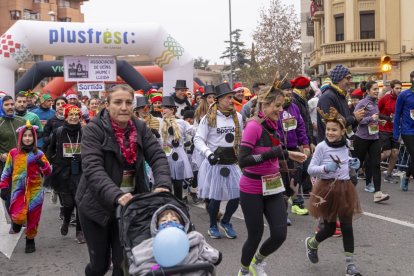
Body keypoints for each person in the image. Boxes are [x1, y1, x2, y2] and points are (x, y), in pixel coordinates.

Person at [75, 84, 172, 276]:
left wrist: (162, 185)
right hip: (96, 205)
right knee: (99, 265)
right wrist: (117, 194)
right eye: (118, 102)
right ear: (107, 104)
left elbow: (158, 156)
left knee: (124, 262)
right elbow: (93, 168)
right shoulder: (93, 129)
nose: (124, 107)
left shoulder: (140, 127)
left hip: (130, 206)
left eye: (128, 102)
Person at [237, 86, 307, 276]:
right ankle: (243, 270)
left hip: (273, 185)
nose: (280, 110)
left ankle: (257, 262)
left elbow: (274, 149)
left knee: (279, 234)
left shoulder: (273, 125)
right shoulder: (253, 126)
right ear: (265, 105)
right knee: (255, 235)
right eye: (277, 106)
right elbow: (242, 160)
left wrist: (290, 153)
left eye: (282, 106)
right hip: (252, 188)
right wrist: (271, 154)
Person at [305, 107, 362, 276]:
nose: (330, 132)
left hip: (345, 188)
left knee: (347, 227)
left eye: (334, 130)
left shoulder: (346, 144)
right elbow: (310, 169)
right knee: (329, 229)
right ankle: (312, 243)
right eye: (328, 129)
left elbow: (345, 161)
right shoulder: (322, 147)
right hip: (327, 189)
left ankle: (350, 265)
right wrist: (325, 168)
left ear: (343, 131)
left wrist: (352, 163)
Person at [194, 83, 243, 239]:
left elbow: (239, 139)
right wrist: (208, 154)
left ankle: (226, 221)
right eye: (229, 97)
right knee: (215, 197)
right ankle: (213, 225)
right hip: (214, 163)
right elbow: (198, 139)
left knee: (237, 196)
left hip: (232, 162)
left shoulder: (238, 117)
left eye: (232, 97)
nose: (232, 100)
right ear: (219, 99)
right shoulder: (208, 118)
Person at [0, 121, 51, 253]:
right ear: (21, 137)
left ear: (34, 138)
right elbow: (6, 171)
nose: (27, 138)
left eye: (30, 136)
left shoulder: (39, 153)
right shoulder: (13, 153)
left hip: (36, 189)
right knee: (17, 215)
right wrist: (4, 187)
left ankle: (30, 239)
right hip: (18, 189)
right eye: (25, 135)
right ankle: (16, 224)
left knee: (33, 215)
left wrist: (42, 165)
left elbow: (48, 171)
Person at [129, 204, 222, 275]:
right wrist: (155, 269)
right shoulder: (151, 243)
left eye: (174, 220)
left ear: (183, 225)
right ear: (156, 227)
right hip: (160, 267)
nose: (169, 222)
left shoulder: (193, 238)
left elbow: (212, 255)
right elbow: (139, 262)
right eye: (164, 221)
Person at [46, 104, 86, 243]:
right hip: (62, 172)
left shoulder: (85, 132)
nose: (74, 117)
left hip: (80, 171)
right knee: (68, 204)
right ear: (66, 117)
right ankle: (67, 220)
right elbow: (50, 149)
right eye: (71, 115)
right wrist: (50, 164)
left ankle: (80, 231)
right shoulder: (58, 132)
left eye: (77, 115)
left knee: (80, 203)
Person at [353, 81, 389, 203]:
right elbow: (357, 120)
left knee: (376, 164)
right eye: (374, 89)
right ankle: (347, 190)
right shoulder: (362, 103)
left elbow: (374, 118)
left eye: (377, 89)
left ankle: (378, 193)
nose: (376, 91)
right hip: (362, 138)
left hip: (374, 138)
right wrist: (370, 118)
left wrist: (379, 121)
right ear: (367, 91)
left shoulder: (375, 103)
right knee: (356, 164)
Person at [160, 96, 193, 200]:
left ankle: (178, 202)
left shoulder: (181, 122)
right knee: (166, 182)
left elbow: (194, 131)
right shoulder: (160, 122)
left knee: (177, 182)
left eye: (165, 108)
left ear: (172, 110)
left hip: (178, 154)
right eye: (162, 108)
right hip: (165, 153)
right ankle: (168, 204)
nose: (163, 110)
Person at [0, 95, 26, 213]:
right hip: (5, 166)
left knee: (21, 192)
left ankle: (18, 217)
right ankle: (14, 216)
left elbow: (30, 140)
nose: (10, 107)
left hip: (23, 163)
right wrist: (1, 155)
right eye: (6, 105)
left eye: (11, 104)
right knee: (7, 195)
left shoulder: (22, 121)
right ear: (1, 106)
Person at [378, 80, 402, 183]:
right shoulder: (385, 99)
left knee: (395, 153)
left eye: (400, 88)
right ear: (392, 88)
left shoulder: (402, 99)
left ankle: (388, 175)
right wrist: (388, 118)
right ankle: (369, 165)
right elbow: (376, 112)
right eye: (397, 88)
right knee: (386, 153)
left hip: (396, 129)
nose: (399, 90)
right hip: (384, 129)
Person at [394, 71, 414, 191]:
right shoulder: (404, 95)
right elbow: (397, 115)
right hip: (408, 130)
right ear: (412, 79)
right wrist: (396, 133)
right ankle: (406, 177)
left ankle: (406, 176)